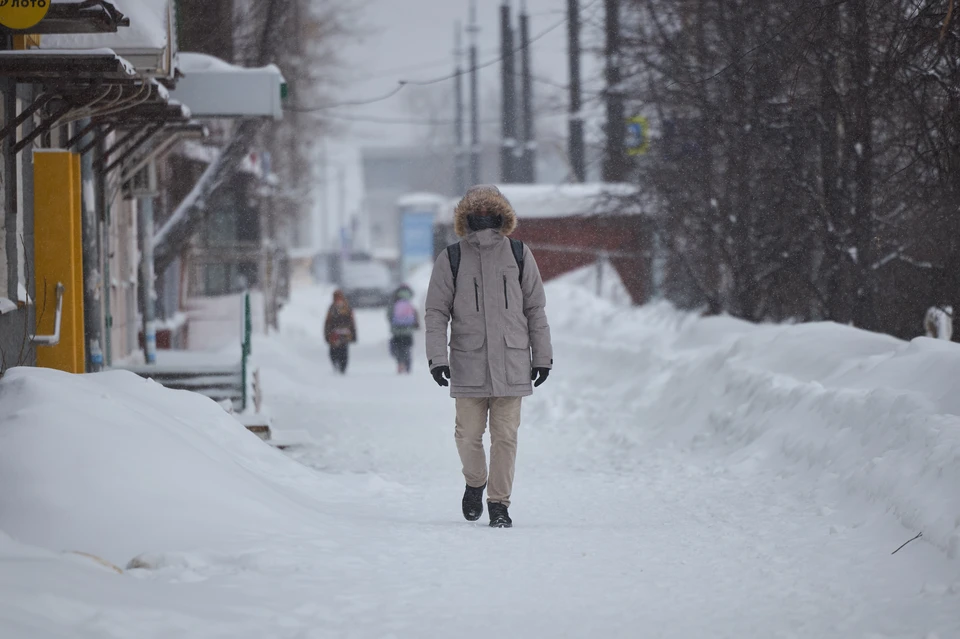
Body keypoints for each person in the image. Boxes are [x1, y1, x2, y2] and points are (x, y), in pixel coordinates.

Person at [424, 185, 553, 528]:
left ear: (501, 217)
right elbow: (436, 312)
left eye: (489, 214)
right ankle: (475, 481)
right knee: (466, 435)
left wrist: (542, 357)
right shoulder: (451, 258)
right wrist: (437, 359)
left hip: (511, 363)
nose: (483, 221)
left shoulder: (519, 254)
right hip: (469, 363)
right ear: (466, 219)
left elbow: (535, 309)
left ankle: (499, 504)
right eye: (476, 215)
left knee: (506, 437)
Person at [388, 284, 420, 374]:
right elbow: (414, 314)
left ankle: (400, 363)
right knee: (407, 348)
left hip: (396, 331)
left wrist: (393, 324)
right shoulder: (409, 301)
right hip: (408, 331)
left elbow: (389, 315)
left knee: (398, 348)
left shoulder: (394, 302)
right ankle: (408, 365)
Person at [324, 289, 357, 374]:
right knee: (334, 351)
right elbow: (328, 323)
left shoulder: (347, 308)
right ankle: (336, 365)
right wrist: (327, 335)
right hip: (334, 335)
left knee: (343, 352)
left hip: (344, 335)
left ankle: (342, 368)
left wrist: (353, 335)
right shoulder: (332, 308)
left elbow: (352, 322)